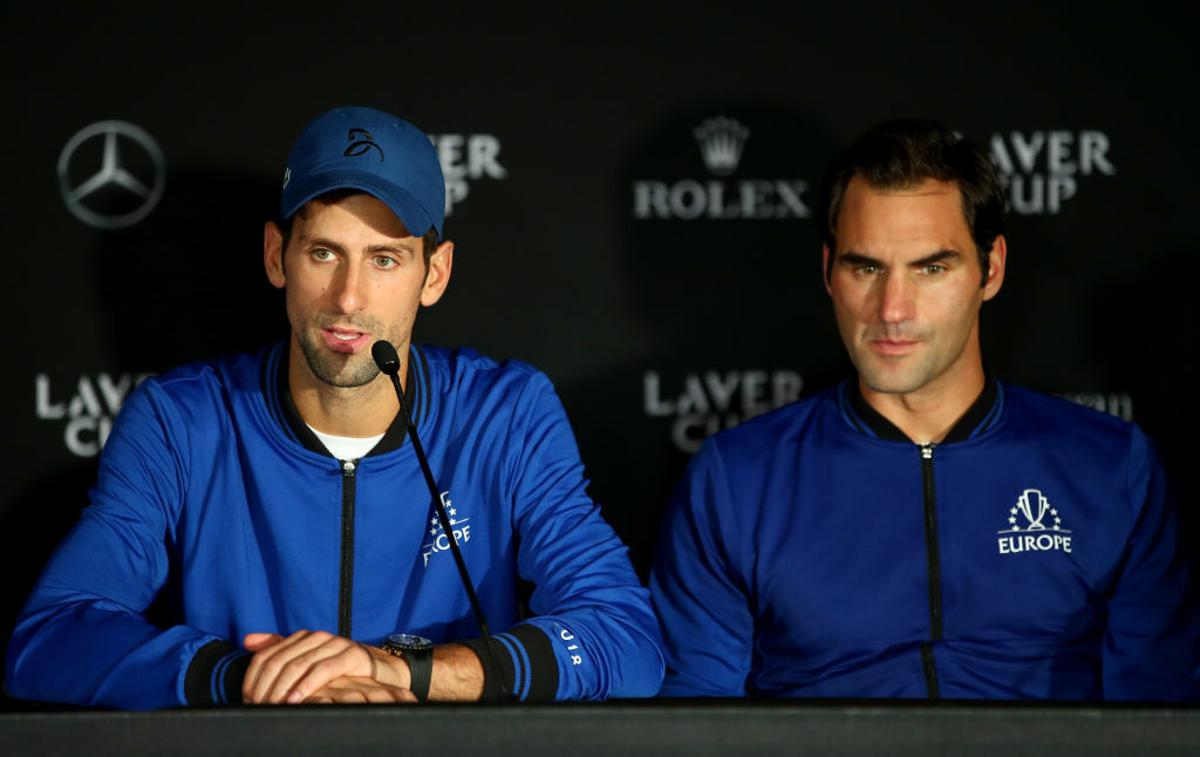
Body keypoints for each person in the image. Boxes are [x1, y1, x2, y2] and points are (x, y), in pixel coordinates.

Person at [6, 106, 663, 709]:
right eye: (324, 252)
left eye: (385, 259)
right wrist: (244, 674)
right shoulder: (183, 420)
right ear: (277, 256)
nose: (349, 298)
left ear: (433, 274)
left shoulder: (506, 413)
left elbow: (626, 640)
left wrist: (402, 668)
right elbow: (52, 639)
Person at [649, 118, 1200, 700]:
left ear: (991, 269)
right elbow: (696, 720)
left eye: (930, 268)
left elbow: (1157, 712)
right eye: (866, 267)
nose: (891, 309)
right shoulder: (738, 478)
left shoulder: (1111, 466)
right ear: (828, 271)